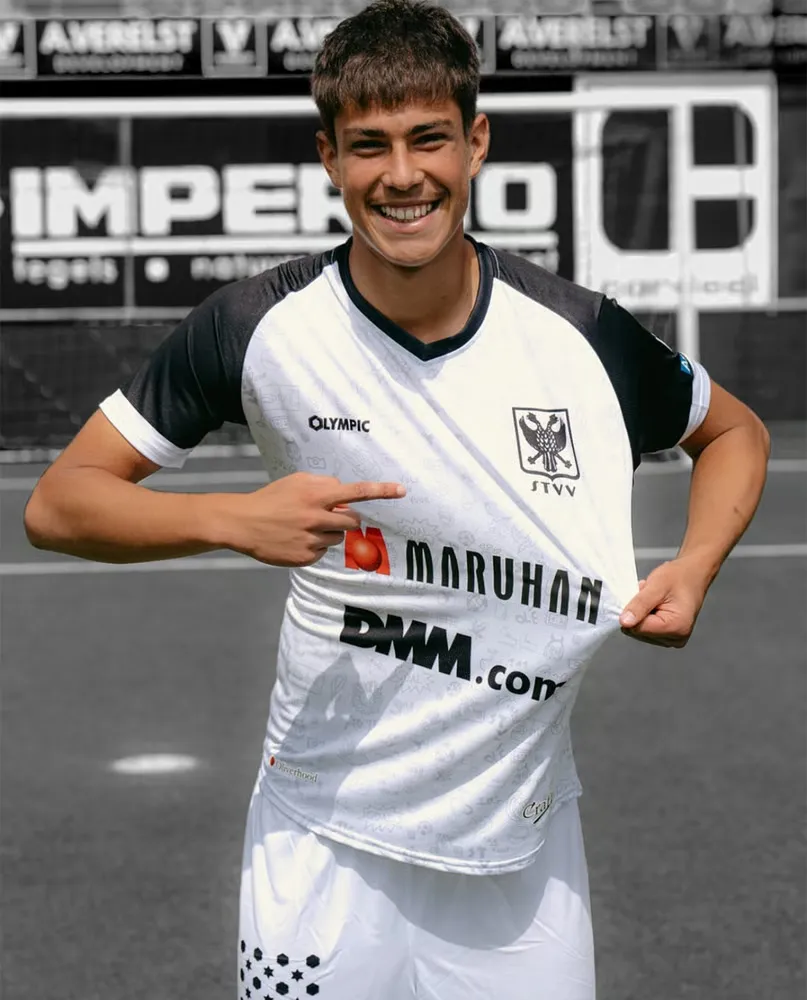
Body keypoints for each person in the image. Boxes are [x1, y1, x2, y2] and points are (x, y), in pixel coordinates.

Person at [24, 1, 770, 997]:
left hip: (521, 854)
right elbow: (60, 502)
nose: (402, 175)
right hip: (319, 846)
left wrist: (696, 565)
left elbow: (735, 433)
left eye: (428, 139)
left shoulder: (579, 337)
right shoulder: (257, 326)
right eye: (369, 146)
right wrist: (230, 519)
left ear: (476, 143)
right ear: (329, 158)